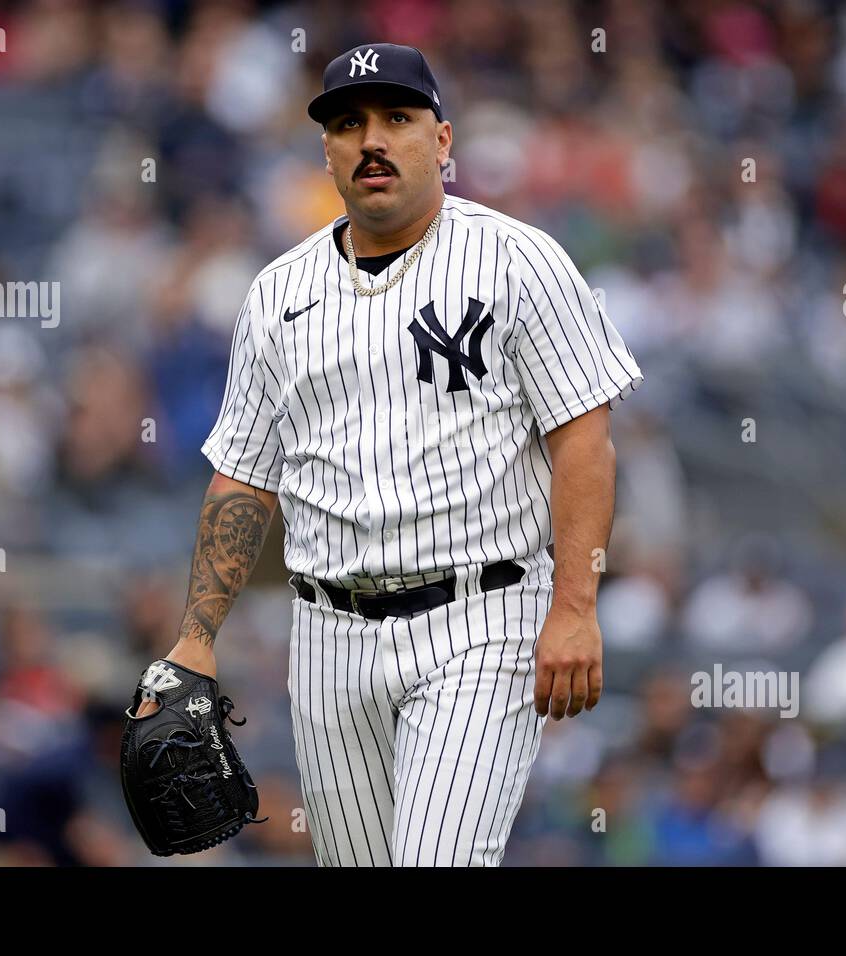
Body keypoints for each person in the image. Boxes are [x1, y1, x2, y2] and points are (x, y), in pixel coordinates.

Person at [133, 43, 642, 866]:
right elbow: (243, 479)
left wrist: (576, 607)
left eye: (397, 119)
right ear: (326, 149)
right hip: (327, 634)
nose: (372, 140)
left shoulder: (519, 261)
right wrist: (196, 637)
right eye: (348, 123)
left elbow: (585, 438)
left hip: (483, 616)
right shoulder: (276, 294)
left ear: (442, 141)